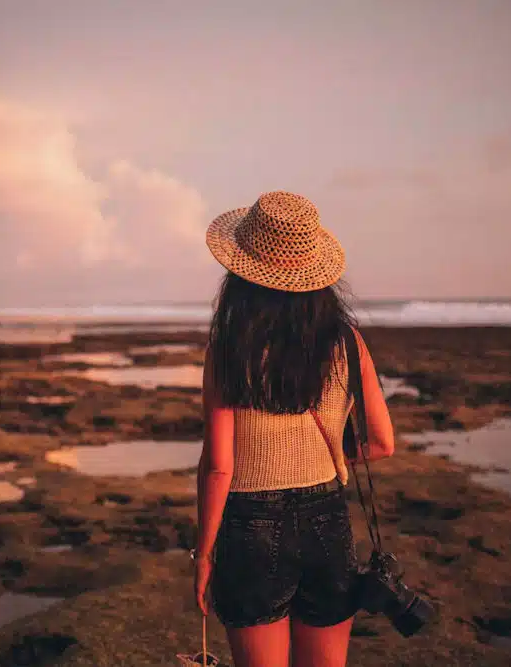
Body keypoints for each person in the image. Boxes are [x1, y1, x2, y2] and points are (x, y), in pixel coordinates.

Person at [193, 191, 396, 667]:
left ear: (241, 273)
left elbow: (220, 467)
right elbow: (382, 443)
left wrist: (203, 555)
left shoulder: (228, 351)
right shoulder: (347, 340)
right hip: (328, 518)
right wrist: (316, 457)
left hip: (249, 525)